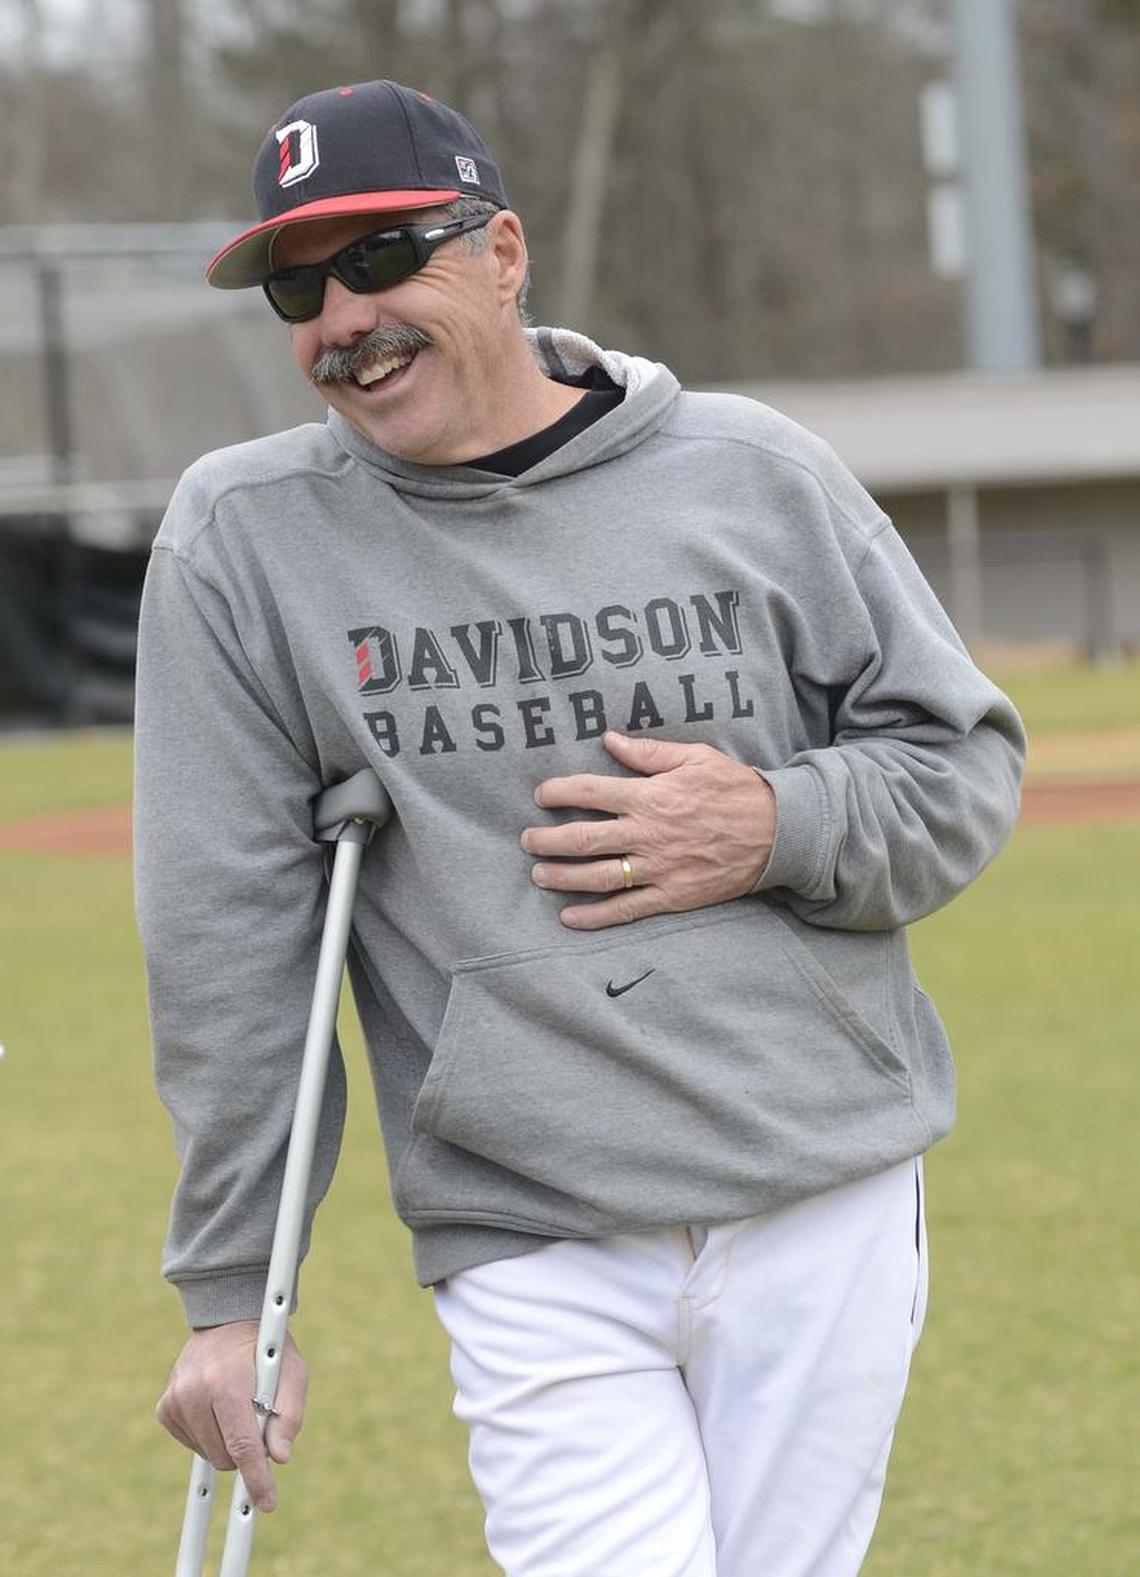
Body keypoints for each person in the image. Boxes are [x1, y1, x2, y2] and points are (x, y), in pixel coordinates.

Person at [137, 78, 1025, 1576]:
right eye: (298, 284)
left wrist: (774, 821)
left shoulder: (754, 475)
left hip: (823, 1181)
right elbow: (229, 936)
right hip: (531, 1219)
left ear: (502, 251)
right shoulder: (245, 542)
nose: (339, 317)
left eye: (378, 257)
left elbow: (964, 763)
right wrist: (233, 1291)